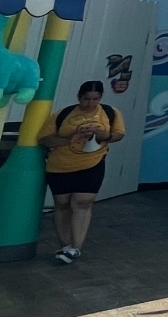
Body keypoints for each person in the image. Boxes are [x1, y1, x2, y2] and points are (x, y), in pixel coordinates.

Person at [37, 80, 124, 264]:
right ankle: (65, 245)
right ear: (79, 97)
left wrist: (103, 135)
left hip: (92, 163)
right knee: (62, 204)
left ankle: (76, 247)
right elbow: (44, 139)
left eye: (95, 99)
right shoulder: (63, 114)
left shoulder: (110, 113)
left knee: (83, 202)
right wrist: (71, 138)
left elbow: (118, 134)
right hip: (61, 165)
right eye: (86, 99)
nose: (90, 103)